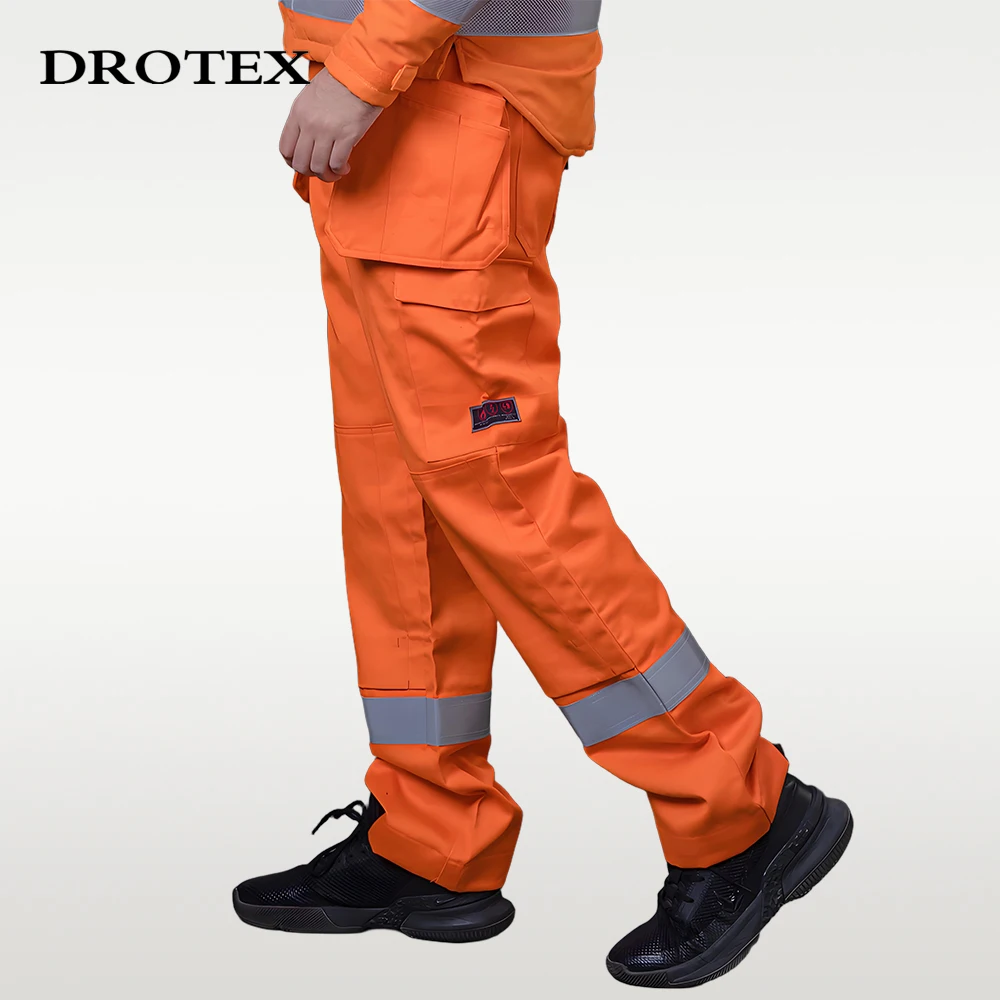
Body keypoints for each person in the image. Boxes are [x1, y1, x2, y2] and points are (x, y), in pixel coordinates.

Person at [233, 1, 852, 987]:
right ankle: (431, 835)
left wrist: (361, 70)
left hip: (439, 87)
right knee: (401, 497)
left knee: (497, 489)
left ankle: (742, 801)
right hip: (392, 104)